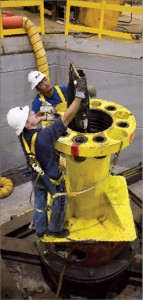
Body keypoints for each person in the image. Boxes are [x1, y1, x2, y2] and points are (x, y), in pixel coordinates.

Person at [7, 77, 87, 239]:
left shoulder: (23, 134)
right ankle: (55, 229)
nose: (32, 112)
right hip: (51, 177)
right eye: (29, 115)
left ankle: (40, 228)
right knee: (59, 200)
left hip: (36, 175)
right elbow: (67, 118)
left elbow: (41, 118)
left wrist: (44, 117)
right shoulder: (44, 136)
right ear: (28, 125)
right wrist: (79, 97)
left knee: (40, 200)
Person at [28, 70, 97, 116]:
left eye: (45, 80)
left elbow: (78, 93)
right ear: (37, 89)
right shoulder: (37, 102)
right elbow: (33, 119)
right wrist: (42, 110)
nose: (46, 83)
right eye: (41, 84)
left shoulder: (62, 89)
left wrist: (86, 90)